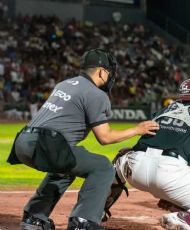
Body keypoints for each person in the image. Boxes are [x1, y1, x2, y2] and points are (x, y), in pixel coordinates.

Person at [7, 48, 159, 230]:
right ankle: (84, 221)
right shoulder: (96, 94)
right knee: (102, 167)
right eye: (110, 72)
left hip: (23, 141)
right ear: (102, 71)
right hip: (47, 144)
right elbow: (105, 137)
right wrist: (137, 129)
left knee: (65, 167)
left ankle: (34, 217)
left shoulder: (64, 84)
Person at [107, 78, 190, 230]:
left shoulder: (163, 110)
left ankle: (96, 211)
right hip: (169, 173)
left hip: (134, 170)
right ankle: (184, 221)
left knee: (123, 156)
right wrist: (172, 195)